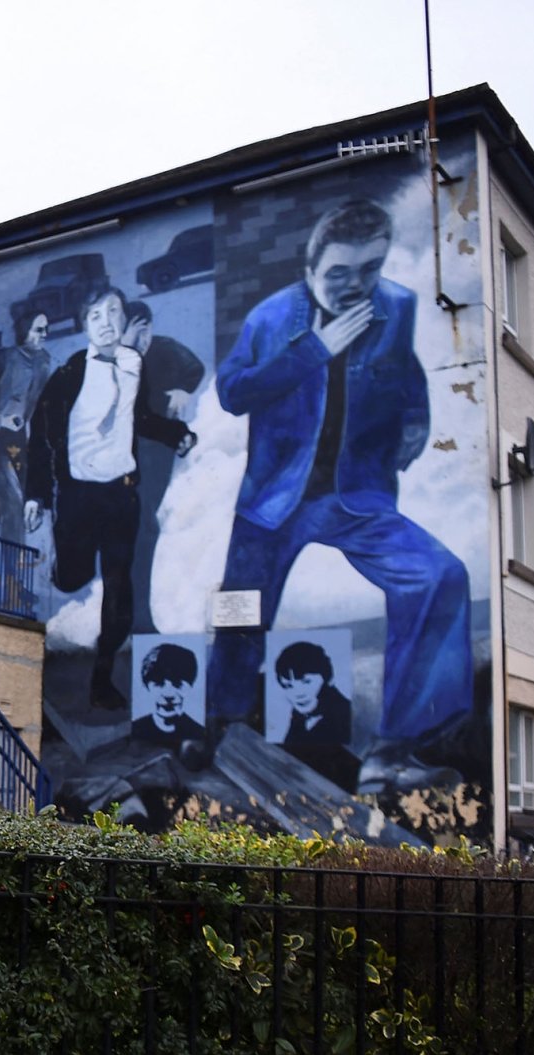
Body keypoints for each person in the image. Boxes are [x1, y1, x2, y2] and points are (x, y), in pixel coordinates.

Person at [207, 200, 468, 795]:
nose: (356, 287)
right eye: (340, 275)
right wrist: (314, 350)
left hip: (355, 496)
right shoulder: (271, 318)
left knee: (439, 575)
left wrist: (413, 430)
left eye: (369, 270)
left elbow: (408, 377)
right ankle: (220, 720)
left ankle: (394, 751)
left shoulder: (395, 307)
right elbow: (233, 392)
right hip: (275, 498)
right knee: (241, 611)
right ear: (310, 270)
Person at [25, 286, 196, 709]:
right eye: (97, 315)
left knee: (119, 589)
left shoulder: (133, 363)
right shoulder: (68, 375)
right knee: (74, 577)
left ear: (123, 320)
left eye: (114, 313)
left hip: (121, 494)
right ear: (85, 325)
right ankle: (66, 572)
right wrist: (37, 497)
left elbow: (137, 418)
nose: (107, 322)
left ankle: (102, 680)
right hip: (78, 497)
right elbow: (40, 439)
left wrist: (177, 434)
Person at [121, 300, 206, 632]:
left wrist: (183, 390)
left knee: (145, 522)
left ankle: (138, 614)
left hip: (159, 449)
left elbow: (194, 367)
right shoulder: (120, 360)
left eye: (147, 330)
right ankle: (134, 615)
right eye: (136, 331)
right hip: (130, 452)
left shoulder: (166, 349)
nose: (143, 339)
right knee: (139, 525)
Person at [0, 310, 54, 545]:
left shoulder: (44, 360)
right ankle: (12, 563)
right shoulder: (8, 359)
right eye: (39, 329)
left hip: (27, 437)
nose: (45, 334)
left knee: (28, 502)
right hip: (0, 436)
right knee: (12, 503)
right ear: (24, 332)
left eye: (46, 329)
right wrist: (0, 418)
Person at [271, 639, 360, 791]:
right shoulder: (300, 714)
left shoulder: (344, 714)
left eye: (306, 682)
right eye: (288, 686)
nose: (297, 694)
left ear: (328, 678)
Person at [130, 642, 206, 749]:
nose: (168, 694)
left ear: (191, 685)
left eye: (178, 684)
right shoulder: (136, 729)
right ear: (146, 685)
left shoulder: (198, 731)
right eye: (158, 683)